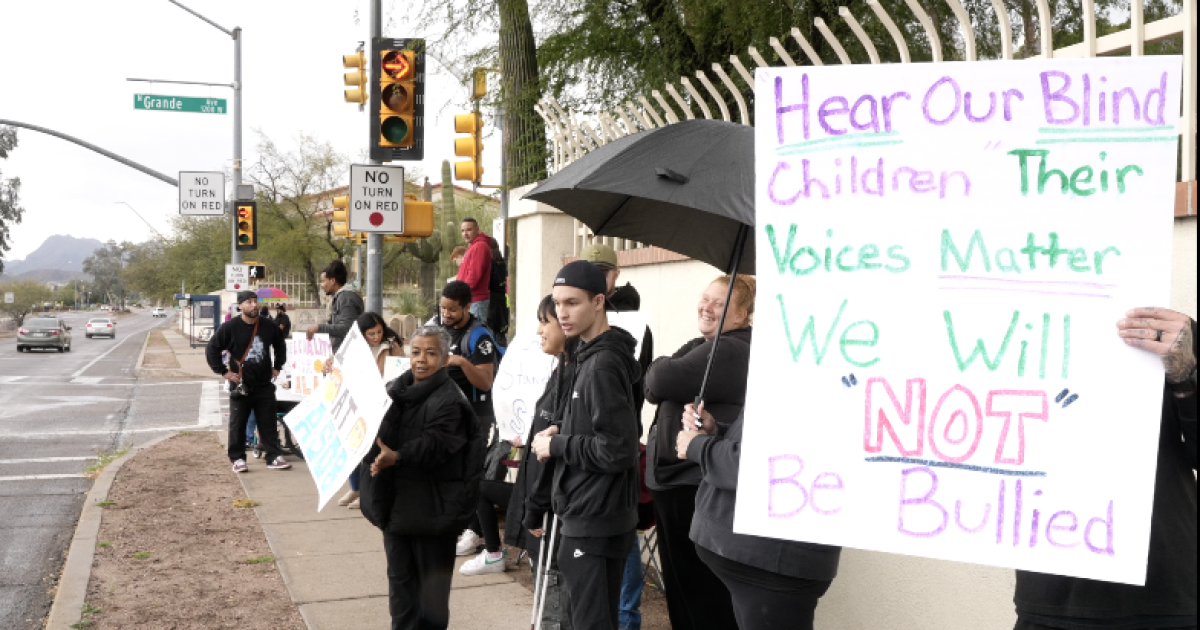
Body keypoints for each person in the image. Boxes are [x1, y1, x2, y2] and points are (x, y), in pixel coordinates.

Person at [1012, 307, 1196, 630]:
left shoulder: (1175, 332)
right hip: (1054, 592)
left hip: (1164, 593)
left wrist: (1186, 375)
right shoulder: (1012, 331)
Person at [531, 260, 641, 630]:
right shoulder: (591, 355)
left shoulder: (603, 364)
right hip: (592, 511)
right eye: (557, 303)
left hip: (595, 516)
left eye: (572, 303)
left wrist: (558, 445)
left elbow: (618, 448)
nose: (562, 313)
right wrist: (564, 428)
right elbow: (604, 426)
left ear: (598, 302)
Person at [643, 275, 753, 630]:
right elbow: (653, 385)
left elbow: (657, 380)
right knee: (684, 592)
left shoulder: (730, 349)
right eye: (705, 298)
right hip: (678, 481)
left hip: (690, 484)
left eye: (719, 303)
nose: (706, 307)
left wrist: (664, 364)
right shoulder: (705, 344)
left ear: (742, 315)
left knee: (699, 595)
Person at [357, 326, 479, 630]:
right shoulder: (394, 390)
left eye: (431, 353)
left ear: (446, 359)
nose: (421, 359)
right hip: (396, 512)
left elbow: (435, 443)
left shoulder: (451, 401)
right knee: (401, 595)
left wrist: (398, 457)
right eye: (416, 352)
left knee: (431, 602)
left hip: (434, 514)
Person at [677, 406, 841, 630]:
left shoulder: (821, 390)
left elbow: (776, 465)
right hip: (763, 557)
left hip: (771, 559)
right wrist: (718, 432)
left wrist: (701, 446)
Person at [579, 241, 655, 627]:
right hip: (585, 447)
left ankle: (626, 618)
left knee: (622, 535)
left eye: (602, 273)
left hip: (616, 442)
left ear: (614, 276)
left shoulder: (634, 324)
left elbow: (643, 383)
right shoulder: (578, 319)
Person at [435, 281, 500, 557]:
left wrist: (462, 362)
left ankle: (475, 533)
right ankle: (460, 526)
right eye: (443, 308)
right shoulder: (440, 327)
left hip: (475, 414)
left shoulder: (478, 336)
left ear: (467, 307)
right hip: (447, 413)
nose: (446, 314)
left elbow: (485, 381)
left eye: (452, 309)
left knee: (471, 473)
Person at [205, 290, 291, 473]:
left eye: (255, 301)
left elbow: (280, 344)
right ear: (240, 306)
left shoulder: (268, 325)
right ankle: (237, 459)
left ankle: (273, 457)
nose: (254, 305)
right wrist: (224, 372)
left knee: (268, 422)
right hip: (241, 384)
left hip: (264, 384)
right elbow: (212, 348)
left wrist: (277, 366)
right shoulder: (230, 327)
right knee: (238, 424)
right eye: (249, 302)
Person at [337, 312, 408, 510]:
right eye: (371, 333)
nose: (376, 336)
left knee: (372, 450)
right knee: (352, 448)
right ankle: (355, 488)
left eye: (379, 331)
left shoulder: (392, 345)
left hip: (383, 403)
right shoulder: (354, 347)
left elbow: (402, 370)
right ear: (362, 333)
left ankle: (367, 493)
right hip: (358, 402)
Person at [306, 259, 365, 352]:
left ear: (333, 281)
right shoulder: (342, 297)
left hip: (348, 354)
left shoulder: (345, 298)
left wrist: (319, 328)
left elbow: (347, 328)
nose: (322, 285)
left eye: (323, 281)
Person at [456, 218, 492, 322]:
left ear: (477, 229)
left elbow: (474, 276)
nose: (465, 233)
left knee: (475, 330)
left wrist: (459, 292)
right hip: (471, 300)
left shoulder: (480, 246)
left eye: (469, 230)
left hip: (476, 301)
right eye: (463, 231)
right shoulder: (473, 246)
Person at [486, 235, 510, 343]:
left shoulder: (490, 263)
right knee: (500, 335)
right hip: (502, 301)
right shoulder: (502, 262)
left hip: (492, 303)